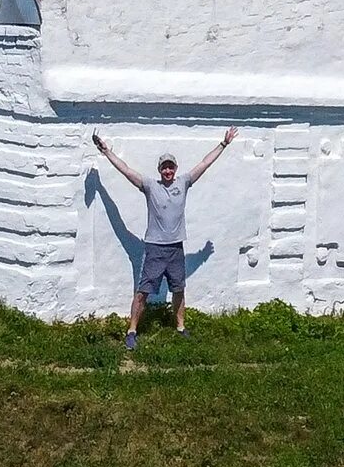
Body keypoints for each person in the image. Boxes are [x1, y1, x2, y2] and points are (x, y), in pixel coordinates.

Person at [92, 128, 238, 347]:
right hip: (155, 248)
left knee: (179, 289)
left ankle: (180, 327)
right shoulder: (151, 186)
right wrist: (106, 152)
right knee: (143, 291)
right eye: (164, 167)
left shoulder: (184, 183)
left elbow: (204, 164)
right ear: (159, 170)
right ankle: (132, 331)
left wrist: (223, 144)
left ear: (175, 169)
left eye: (171, 167)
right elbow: (126, 171)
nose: (168, 170)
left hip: (176, 248)